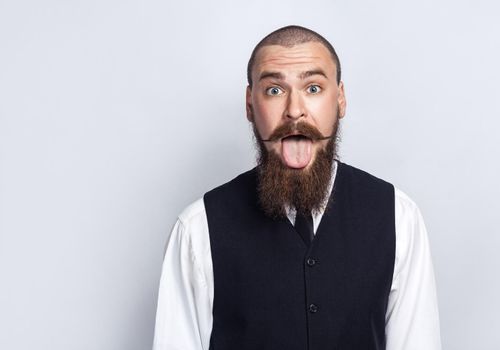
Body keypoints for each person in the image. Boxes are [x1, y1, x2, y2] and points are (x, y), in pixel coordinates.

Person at [152, 25, 441, 350]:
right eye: (274, 90)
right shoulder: (197, 228)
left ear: (341, 99)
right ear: (250, 104)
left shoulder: (398, 217)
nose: (294, 110)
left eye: (314, 88)